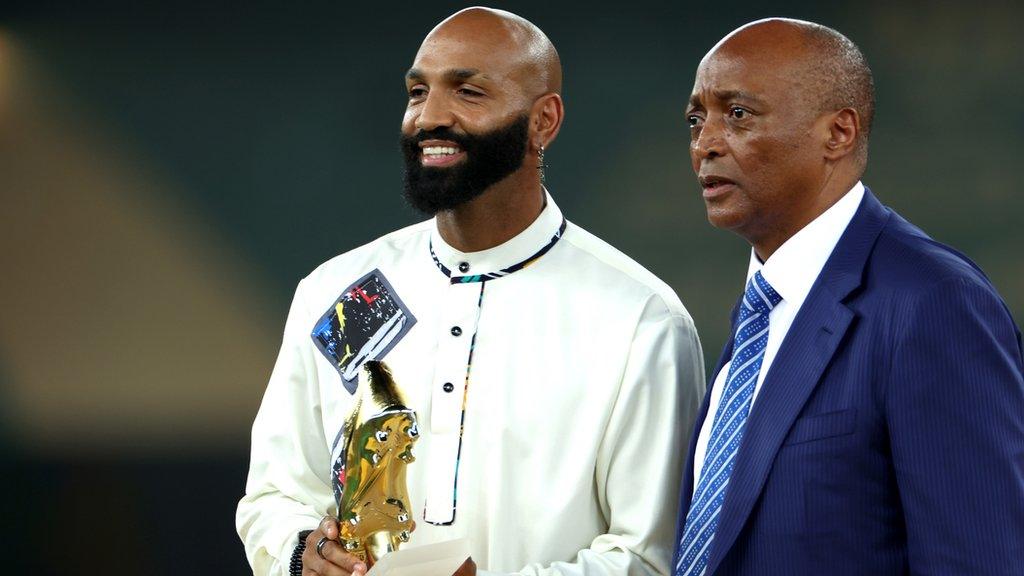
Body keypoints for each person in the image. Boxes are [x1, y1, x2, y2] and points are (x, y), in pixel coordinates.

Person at [237, 7, 706, 576]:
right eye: (417, 92)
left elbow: (647, 556)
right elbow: (274, 493)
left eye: (468, 92)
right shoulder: (337, 292)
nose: (429, 116)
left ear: (544, 121)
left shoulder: (640, 320)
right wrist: (301, 552)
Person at [673, 17, 1024, 576]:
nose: (706, 144)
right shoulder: (763, 307)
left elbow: (976, 559)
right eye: (697, 119)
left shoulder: (933, 302)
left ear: (838, 133)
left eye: (738, 114)